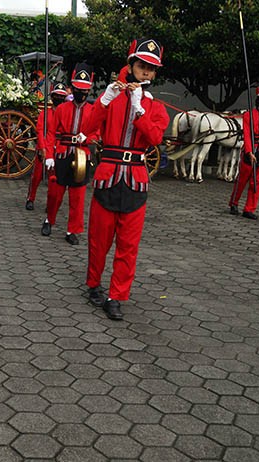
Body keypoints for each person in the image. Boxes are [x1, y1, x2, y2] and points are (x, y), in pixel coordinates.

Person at [83, 39, 169, 320]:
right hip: (108, 175)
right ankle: (94, 284)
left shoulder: (155, 108)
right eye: (142, 66)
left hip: (136, 179)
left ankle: (116, 295)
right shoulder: (111, 97)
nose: (146, 72)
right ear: (131, 65)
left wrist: (139, 110)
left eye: (151, 69)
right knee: (99, 240)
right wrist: (104, 101)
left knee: (128, 245)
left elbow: (154, 138)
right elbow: (86, 129)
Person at [42, 64, 97, 245]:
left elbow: (98, 133)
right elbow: (50, 133)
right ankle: (49, 220)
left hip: (82, 155)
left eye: (85, 90)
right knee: (55, 193)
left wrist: (87, 137)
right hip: (63, 153)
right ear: (72, 89)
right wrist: (49, 155)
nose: (82, 93)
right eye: (78, 90)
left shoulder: (92, 111)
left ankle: (72, 230)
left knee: (78, 196)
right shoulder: (62, 109)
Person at [228, 84, 259, 219]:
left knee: (258, 182)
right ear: (258, 98)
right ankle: (234, 202)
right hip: (251, 148)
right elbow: (247, 135)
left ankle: (249, 209)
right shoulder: (248, 115)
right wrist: (249, 152)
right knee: (242, 180)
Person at [26, 83, 69, 210]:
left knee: (54, 178)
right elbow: (40, 131)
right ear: (52, 97)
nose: (59, 99)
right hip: (45, 144)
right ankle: (31, 198)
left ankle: (50, 204)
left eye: (62, 97)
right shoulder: (45, 113)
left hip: (60, 146)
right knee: (37, 176)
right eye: (57, 96)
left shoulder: (66, 113)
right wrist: (42, 148)